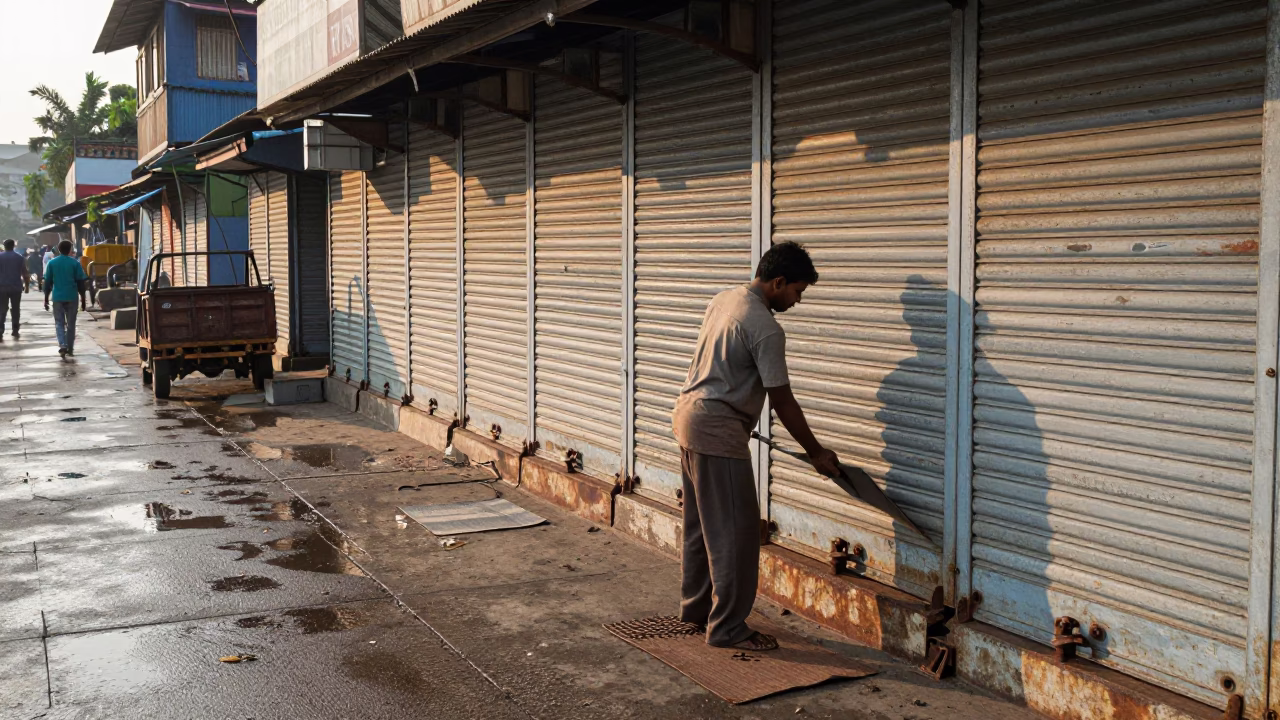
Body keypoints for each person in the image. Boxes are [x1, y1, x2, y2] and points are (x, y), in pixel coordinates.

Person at [670, 241, 839, 652]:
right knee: (735, 535)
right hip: (718, 433)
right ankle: (727, 627)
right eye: (797, 292)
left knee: (701, 528)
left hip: (688, 420)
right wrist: (816, 452)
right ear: (778, 282)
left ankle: (695, 610)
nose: (797, 302)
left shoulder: (725, 299)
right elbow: (783, 401)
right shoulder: (766, 328)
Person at [43, 240, 88, 357]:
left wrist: (46, 298)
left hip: (57, 297)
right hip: (72, 296)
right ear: (70, 250)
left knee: (59, 322)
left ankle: (62, 345)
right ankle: (70, 348)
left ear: (58, 249)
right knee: (71, 323)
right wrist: (83, 299)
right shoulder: (75, 263)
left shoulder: (52, 263)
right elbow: (80, 282)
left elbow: (47, 282)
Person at [0, 239, 29, 338]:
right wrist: (27, 286)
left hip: (2, 287)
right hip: (16, 287)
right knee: (15, 308)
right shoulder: (19, 258)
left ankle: (0, 329)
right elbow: (25, 273)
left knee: (2, 309)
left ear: (4, 246)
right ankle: (15, 329)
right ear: (14, 246)